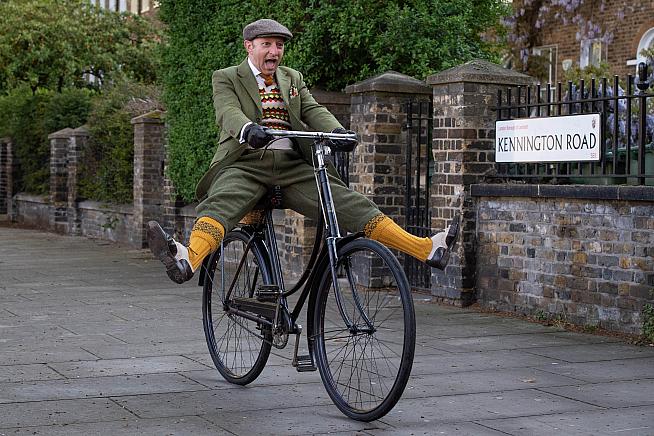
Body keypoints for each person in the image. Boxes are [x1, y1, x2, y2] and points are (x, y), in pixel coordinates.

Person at [147, 18, 459, 284]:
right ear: (249, 46)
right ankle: (188, 258)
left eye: (279, 45)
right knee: (223, 201)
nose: (274, 51)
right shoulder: (226, 77)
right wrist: (246, 129)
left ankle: (425, 249)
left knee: (348, 203)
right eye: (267, 44)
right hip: (245, 163)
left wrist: (338, 131)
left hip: (292, 166)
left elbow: (312, 109)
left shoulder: (292, 77)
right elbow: (226, 111)